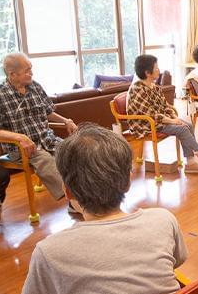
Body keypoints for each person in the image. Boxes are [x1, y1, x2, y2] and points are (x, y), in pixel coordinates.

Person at [22, 123, 188, 294]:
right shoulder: (163, 220)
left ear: (67, 191)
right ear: (128, 183)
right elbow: (177, 260)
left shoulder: (48, 252)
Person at [0, 52, 77, 201]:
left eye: (31, 69)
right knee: (46, 160)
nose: (31, 73)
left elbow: (48, 112)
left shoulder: (35, 87)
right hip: (23, 148)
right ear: (12, 74)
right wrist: (20, 137)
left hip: (47, 140)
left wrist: (66, 121)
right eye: (27, 70)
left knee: (75, 152)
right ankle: (74, 200)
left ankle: (86, 192)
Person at [127, 54, 198, 173]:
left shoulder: (155, 87)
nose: (158, 70)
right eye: (156, 68)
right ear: (147, 73)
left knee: (188, 124)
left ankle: (191, 163)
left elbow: (166, 107)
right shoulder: (137, 89)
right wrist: (172, 121)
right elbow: (150, 115)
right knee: (182, 129)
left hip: (159, 121)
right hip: (145, 124)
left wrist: (175, 118)